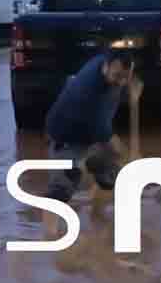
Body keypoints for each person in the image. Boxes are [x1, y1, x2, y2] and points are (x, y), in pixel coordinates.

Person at [44, 49, 143, 203]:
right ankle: (49, 228)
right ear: (105, 67)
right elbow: (108, 138)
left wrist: (131, 88)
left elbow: (122, 75)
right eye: (117, 77)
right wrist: (130, 157)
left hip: (90, 136)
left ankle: (97, 216)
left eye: (126, 77)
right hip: (65, 138)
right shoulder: (92, 94)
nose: (122, 82)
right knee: (59, 194)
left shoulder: (106, 63)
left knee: (109, 177)